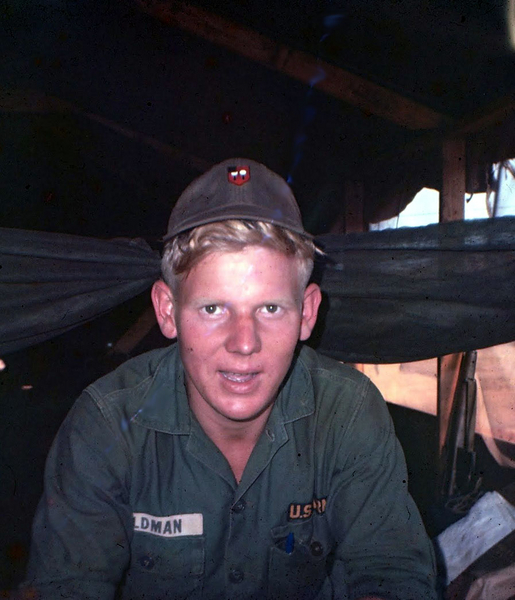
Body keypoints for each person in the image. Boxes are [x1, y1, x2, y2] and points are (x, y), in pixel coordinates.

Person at [22, 159, 437, 599]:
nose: (244, 343)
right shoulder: (107, 426)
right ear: (167, 312)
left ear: (307, 313)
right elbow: (67, 587)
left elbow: (392, 574)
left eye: (270, 308)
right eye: (213, 309)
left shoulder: (347, 411)